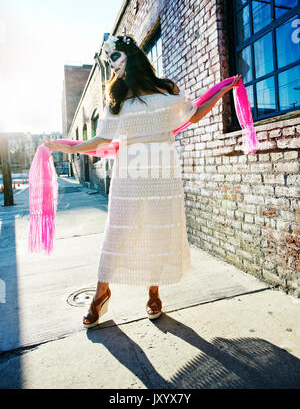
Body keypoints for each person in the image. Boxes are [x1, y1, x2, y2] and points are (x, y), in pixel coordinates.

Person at [44, 34, 241, 328]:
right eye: (109, 62)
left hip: (163, 170)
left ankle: (153, 293)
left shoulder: (166, 88)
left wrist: (224, 89)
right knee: (117, 231)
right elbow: (102, 139)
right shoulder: (115, 97)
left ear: (130, 56)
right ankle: (100, 295)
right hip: (129, 172)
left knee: (158, 230)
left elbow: (195, 114)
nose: (112, 68)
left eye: (114, 59)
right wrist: (70, 147)